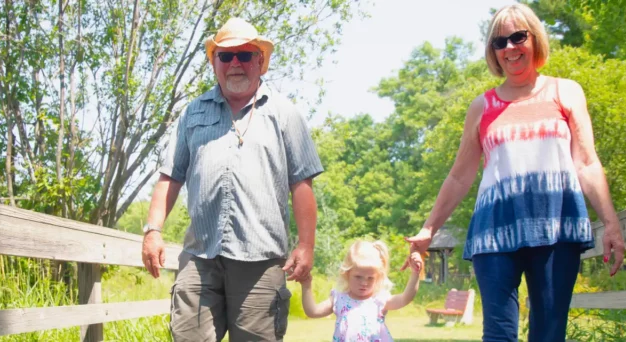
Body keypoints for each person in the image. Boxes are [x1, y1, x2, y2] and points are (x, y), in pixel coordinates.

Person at [401, 4, 626, 342]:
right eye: (499, 42)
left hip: (556, 226)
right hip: (494, 230)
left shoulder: (565, 91)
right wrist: (429, 228)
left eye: (518, 37)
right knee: (499, 335)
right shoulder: (482, 107)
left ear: (534, 39)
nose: (509, 48)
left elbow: (587, 162)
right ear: (493, 51)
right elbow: (459, 176)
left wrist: (610, 222)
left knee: (549, 334)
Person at [139, 17, 324, 342]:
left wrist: (306, 245)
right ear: (214, 63)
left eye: (244, 55)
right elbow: (170, 177)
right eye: (226, 56)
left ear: (260, 61)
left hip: (261, 260)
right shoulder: (192, 114)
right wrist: (153, 231)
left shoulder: (284, 113)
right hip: (200, 256)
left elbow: (302, 184)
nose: (235, 63)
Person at [299, 240, 423, 342]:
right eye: (358, 277)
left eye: (370, 278)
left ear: (378, 277)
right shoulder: (339, 298)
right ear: (346, 274)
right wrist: (306, 286)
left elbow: (405, 298)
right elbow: (313, 311)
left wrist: (415, 273)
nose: (364, 283)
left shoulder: (379, 299)